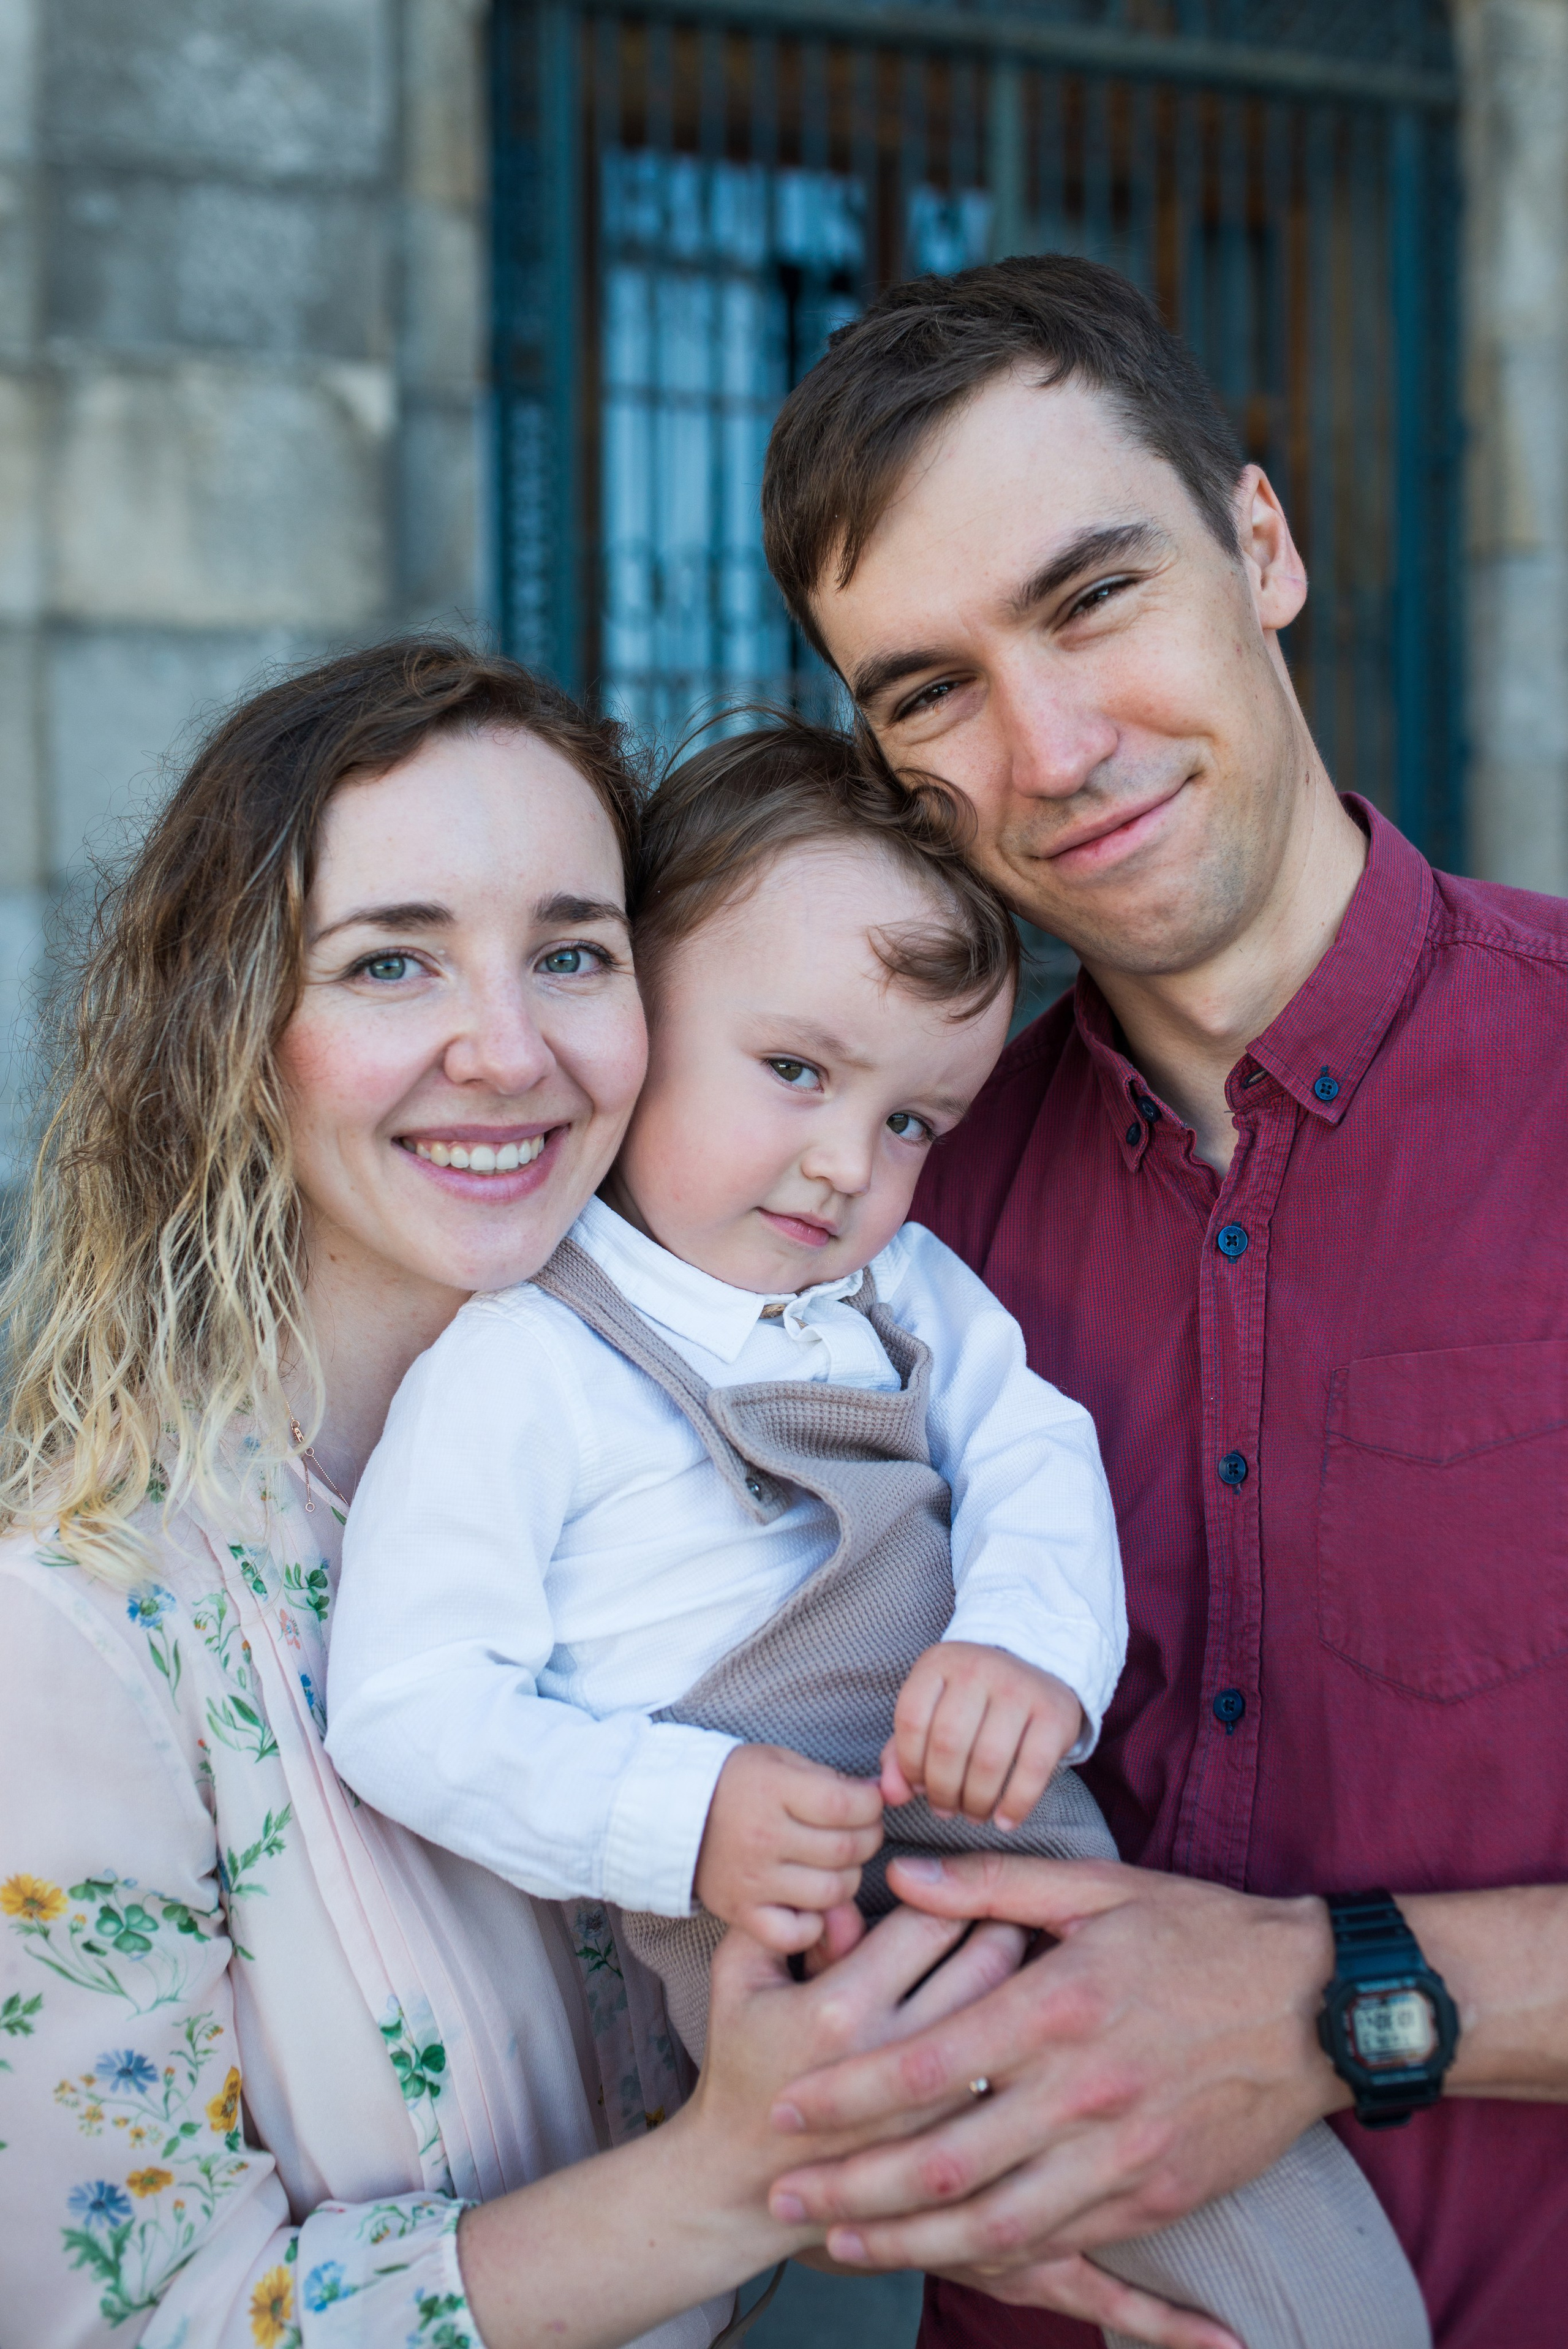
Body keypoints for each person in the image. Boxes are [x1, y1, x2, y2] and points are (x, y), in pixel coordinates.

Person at [325, 717, 1429, 2349]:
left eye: (918, 1120)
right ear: (640, 1025)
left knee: (1255, 2217)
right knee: (1155, 2223)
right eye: (795, 1072)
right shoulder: (528, 1362)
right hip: (784, 1916)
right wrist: (683, 1813)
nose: (851, 1164)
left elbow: (1034, 1453)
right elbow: (408, 1708)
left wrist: (1026, 1643)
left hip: (1008, 1838)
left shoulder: (902, 1293)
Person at [0, 639, 1048, 2349]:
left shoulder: (744, 1424)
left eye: (571, 951)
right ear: (234, 1026)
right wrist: (729, 2173)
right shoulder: (78, 1632)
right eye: (392, 962)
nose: (507, 1049)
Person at [750, 255, 1568, 2349]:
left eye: (1093, 593)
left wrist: (1330, 1997)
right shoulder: (881, 1240)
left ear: (1261, 544)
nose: (1055, 748)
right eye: (928, 688)